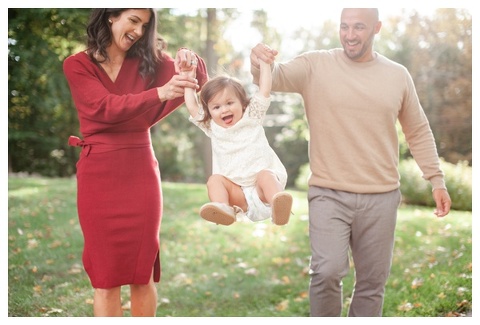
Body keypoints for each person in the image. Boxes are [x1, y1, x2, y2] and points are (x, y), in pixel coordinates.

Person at [250, 8, 451, 317]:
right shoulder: (316, 64)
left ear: (377, 28)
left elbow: (417, 129)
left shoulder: (397, 75)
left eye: (359, 27)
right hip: (329, 192)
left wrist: (435, 179)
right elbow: (271, 77)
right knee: (327, 271)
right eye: (344, 27)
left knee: (372, 283)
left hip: (382, 196)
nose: (350, 34)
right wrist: (258, 60)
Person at [63, 9, 208, 316]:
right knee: (106, 278)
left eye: (145, 25)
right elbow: (102, 107)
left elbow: (196, 80)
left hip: (140, 171)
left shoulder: (149, 63)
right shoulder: (77, 65)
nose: (139, 31)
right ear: (111, 17)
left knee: (142, 275)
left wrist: (187, 61)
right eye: (133, 20)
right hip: (97, 175)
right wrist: (159, 93)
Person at [180, 58, 293, 226]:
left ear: (242, 102)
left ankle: (279, 206)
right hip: (238, 195)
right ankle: (224, 209)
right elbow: (192, 106)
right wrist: (188, 78)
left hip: (262, 190)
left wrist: (265, 64)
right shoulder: (212, 126)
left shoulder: (252, 116)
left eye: (229, 103)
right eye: (216, 107)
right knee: (214, 180)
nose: (224, 109)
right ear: (209, 111)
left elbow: (264, 90)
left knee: (266, 175)